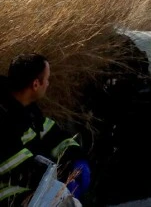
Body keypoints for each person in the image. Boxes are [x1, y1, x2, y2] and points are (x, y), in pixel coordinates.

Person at [0, 53, 91, 205]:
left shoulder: (28, 111)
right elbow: (16, 166)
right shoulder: (3, 118)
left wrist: (77, 159)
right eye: (47, 79)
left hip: (30, 190)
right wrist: (61, 179)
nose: (48, 84)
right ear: (36, 84)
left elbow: (54, 136)